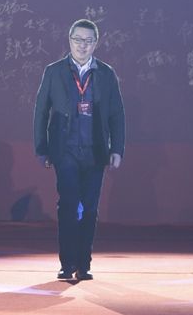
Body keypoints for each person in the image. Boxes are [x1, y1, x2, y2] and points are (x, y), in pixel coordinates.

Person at [33, 19, 126, 281]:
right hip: (65, 150)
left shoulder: (106, 73)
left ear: (95, 43)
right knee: (69, 205)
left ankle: (84, 264)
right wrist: (42, 148)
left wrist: (117, 148)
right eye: (78, 39)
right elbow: (41, 111)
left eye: (88, 41)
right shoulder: (54, 71)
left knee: (91, 208)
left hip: (95, 151)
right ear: (69, 40)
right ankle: (67, 262)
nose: (82, 45)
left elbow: (117, 114)